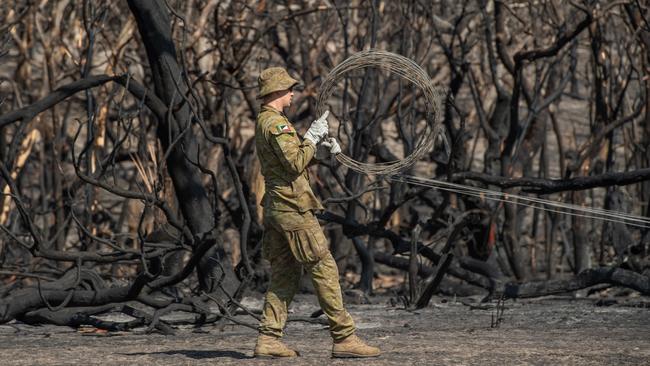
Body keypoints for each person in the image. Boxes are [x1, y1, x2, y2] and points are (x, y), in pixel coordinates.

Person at [253, 66, 381, 359]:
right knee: (324, 268)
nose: (292, 93)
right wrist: (311, 137)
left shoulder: (269, 121)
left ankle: (269, 338)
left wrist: (320, 150)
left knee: (284, 273)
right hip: (293, 210)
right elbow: (295, 163)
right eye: (288, 89)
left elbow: (289, 162)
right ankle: (344, 337)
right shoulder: (277, 125)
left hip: (278, 208)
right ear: (276, 93)